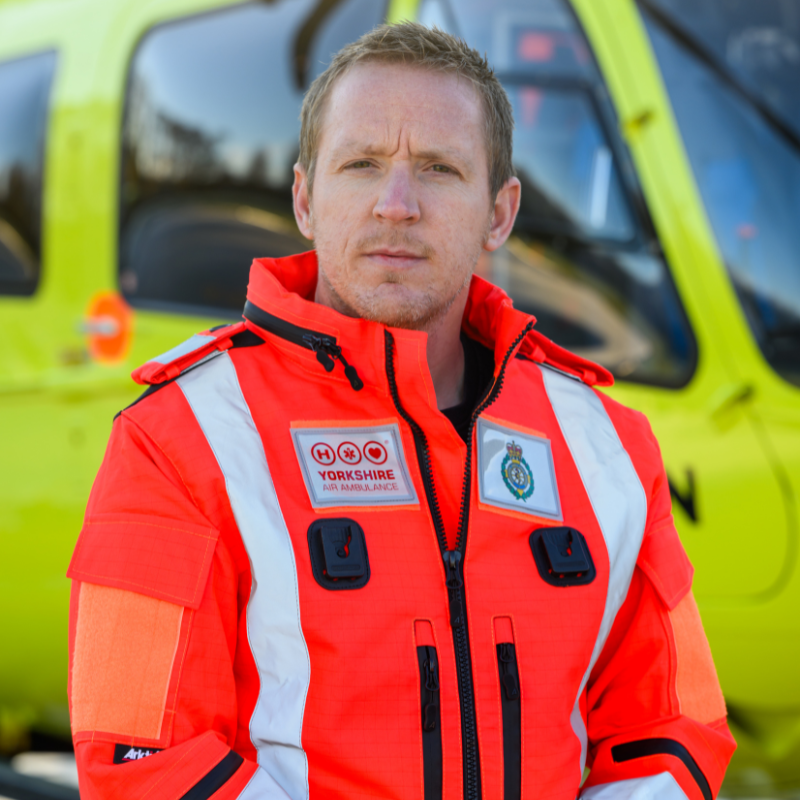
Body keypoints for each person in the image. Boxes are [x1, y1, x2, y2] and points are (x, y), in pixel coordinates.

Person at [67, 22, 735, 800]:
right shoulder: (175, 440)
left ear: (499, 213)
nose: (397, 204)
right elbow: (142, 760)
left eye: (439, 169)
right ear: (306, 200)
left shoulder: (609, 445)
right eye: (362, 164)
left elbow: (674, 728)